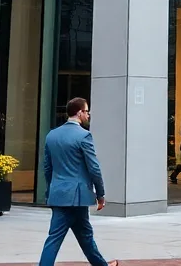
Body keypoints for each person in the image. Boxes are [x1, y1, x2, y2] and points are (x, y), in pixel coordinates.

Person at [38, 98, 114, 266]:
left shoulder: (52, 135)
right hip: (77, 197)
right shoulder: (84, 136)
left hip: (59, 195)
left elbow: (47, 168)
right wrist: (100, 194)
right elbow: (94, 168)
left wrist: (51, 190)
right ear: (79, 112)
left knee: (78, 236)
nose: (88, 114)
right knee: (70, 238)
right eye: (87, 111)